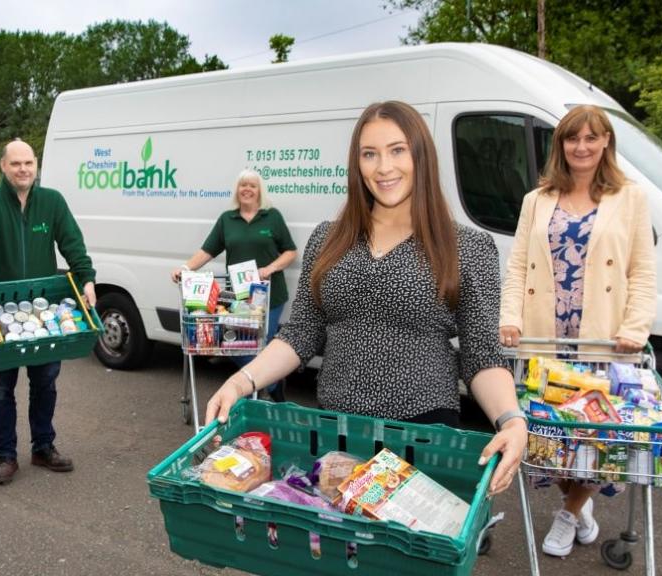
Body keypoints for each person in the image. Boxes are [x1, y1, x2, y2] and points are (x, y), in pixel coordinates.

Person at [205, 101, 526, 497]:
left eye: (397, 150)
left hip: (421, 434)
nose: (383, 167)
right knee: (339, 547)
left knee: (404, 553)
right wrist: (241, 380)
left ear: (421, 156)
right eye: (369, 154)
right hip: (337, 431)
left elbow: (481, 355)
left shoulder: (467, 247)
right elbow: (301, 333)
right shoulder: (329, 238)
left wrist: (511, 420)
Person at [499, 104, 656, 557]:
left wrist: (635, 327)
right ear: (560, 145)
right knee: (554, 438)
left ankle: (568, 514)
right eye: (572, 138)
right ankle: (578, 503)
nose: (581, 146)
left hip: (601, 341)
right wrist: (510, 319)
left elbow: (642, 271)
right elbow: (517, 268)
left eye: (591, 137)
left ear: (606, 141)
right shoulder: (538, 199)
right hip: (545, 338)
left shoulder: (630, 197)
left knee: (594, 437)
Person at [0, 139, 97, 486]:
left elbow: (73, 243)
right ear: (3, 167)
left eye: (29, 163)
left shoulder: (51, 202)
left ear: (36, 165)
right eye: (16, 164)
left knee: (45, 383)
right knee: (1, 390)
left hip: (43, 309)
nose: (23, 169)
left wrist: (86, 280)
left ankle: (43, 446)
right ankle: (5, 455)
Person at [170, 169, 297, 401]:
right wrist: (186, 268)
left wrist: (270, 268)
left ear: (260, 191)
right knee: (241, 346)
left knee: (262, 345)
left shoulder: (272, 217)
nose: (247, 189)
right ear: (237, 190)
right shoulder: (227, 219)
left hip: (270, 295)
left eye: (252, 185)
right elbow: (207, 250)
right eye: (243, 185)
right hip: (239, 298)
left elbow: (290, 252)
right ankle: (266, 386)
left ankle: (268, 394)